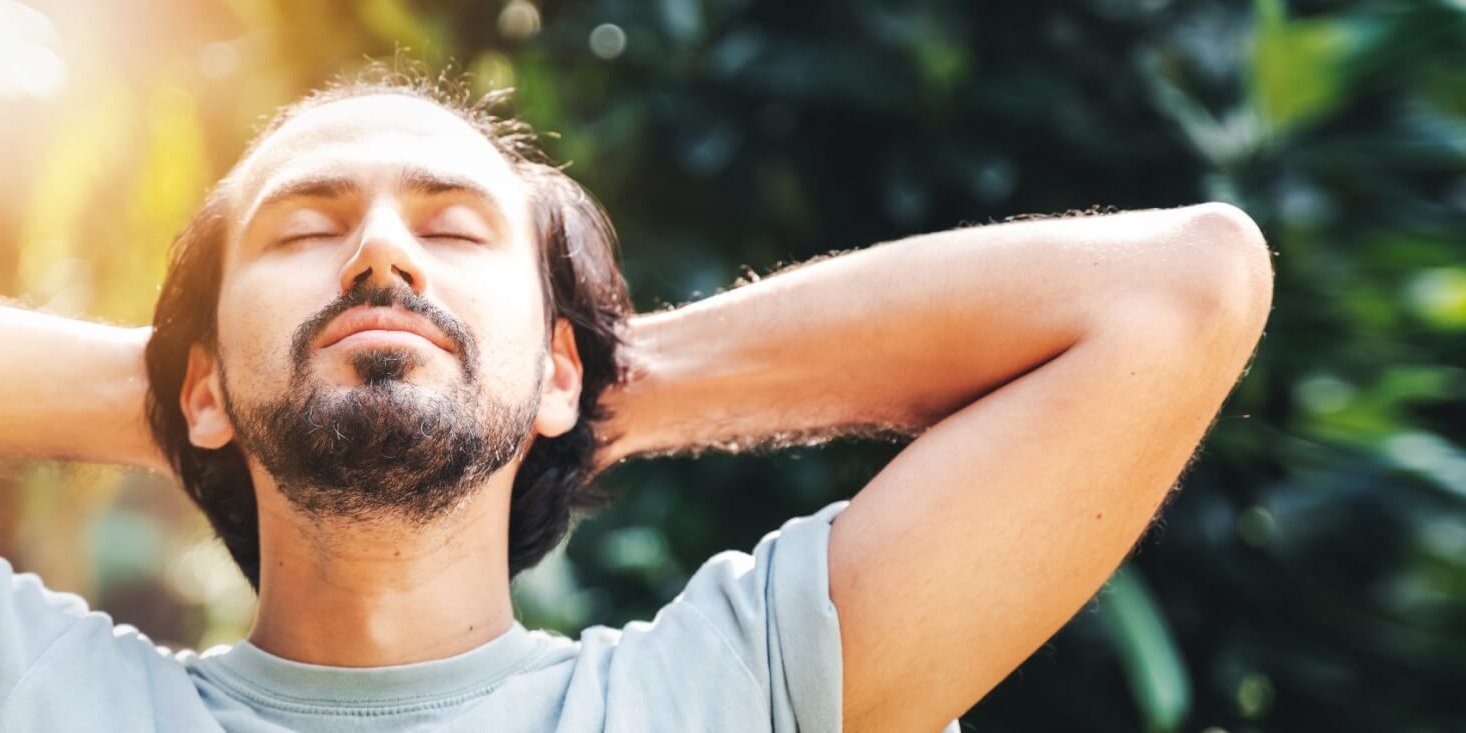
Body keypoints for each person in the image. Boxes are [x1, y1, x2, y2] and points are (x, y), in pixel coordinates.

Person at [0, 69, 1274, 733]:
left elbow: (1177, 292)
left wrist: (594, 378)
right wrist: (181, 392)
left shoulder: (736, 694)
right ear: (201, 386)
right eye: (303, 231)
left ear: (561, 367)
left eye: (453, 226)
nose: (380, 256)